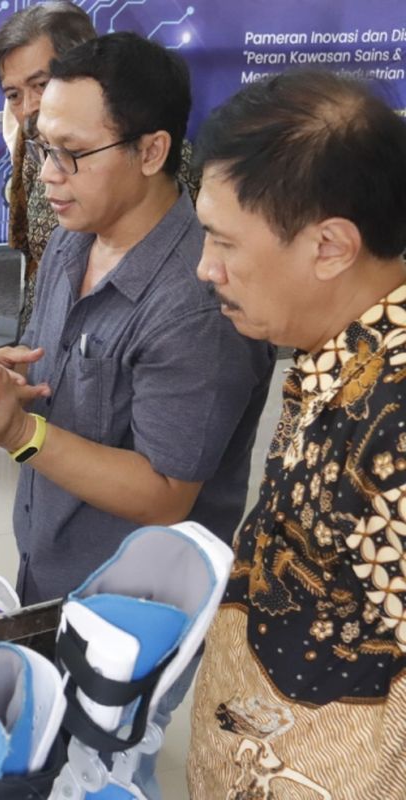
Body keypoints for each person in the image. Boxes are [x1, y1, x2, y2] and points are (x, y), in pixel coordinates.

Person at [0, 33, 273, 798]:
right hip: (50, 564)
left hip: (135, 611)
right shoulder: (74, 239)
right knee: (32, 753)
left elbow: (166, 492)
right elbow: (50, 374)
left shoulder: (195, 298)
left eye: (72, 153)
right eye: (40, 149)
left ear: (151, 149)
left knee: (100, 770)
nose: (48, 176)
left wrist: (17, 433)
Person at [187, 71, 406, 798]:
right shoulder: (334, 347)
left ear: (331, 247)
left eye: (224, 242)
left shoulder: (395, 424)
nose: (205, 268)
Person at [0, 2, 200, 336]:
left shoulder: (162, 163)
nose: (29, 108)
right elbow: (34, 253)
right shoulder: (32, 147)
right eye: (13, 94)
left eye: (41, 85)